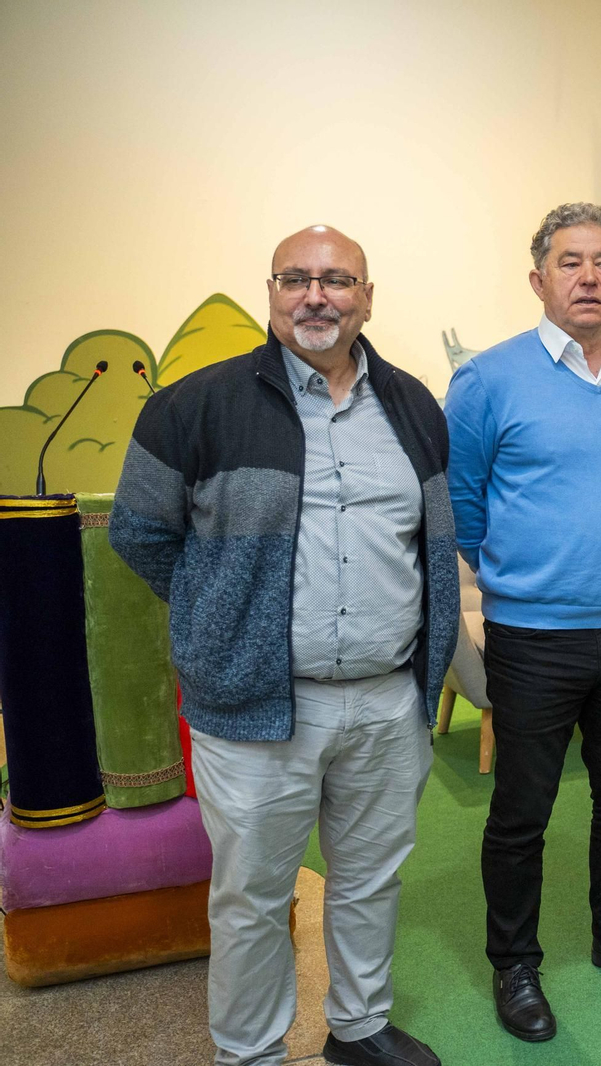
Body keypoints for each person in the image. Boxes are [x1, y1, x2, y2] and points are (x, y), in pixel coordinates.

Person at [110, 226, 456, 1066]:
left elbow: (428, 542)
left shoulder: (413, 405)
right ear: (271, 291)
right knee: (254, 900)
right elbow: (139, 534)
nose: (316, 296)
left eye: (337, 280)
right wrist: (218, 614)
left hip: (385, 698)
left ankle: (359, 1028)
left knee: (370, 881)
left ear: (367, 297)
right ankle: (250, 1052)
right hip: (257, 703)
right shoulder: (194, 406)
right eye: (296, 279)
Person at [445, 203, 601, 1044]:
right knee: (523, 811)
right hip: (531, 638)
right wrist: (522, 579)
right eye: (570, 261)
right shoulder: (486, 380)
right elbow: (464, 505)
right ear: (538, 278)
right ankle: (515, 964)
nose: (589, 276)